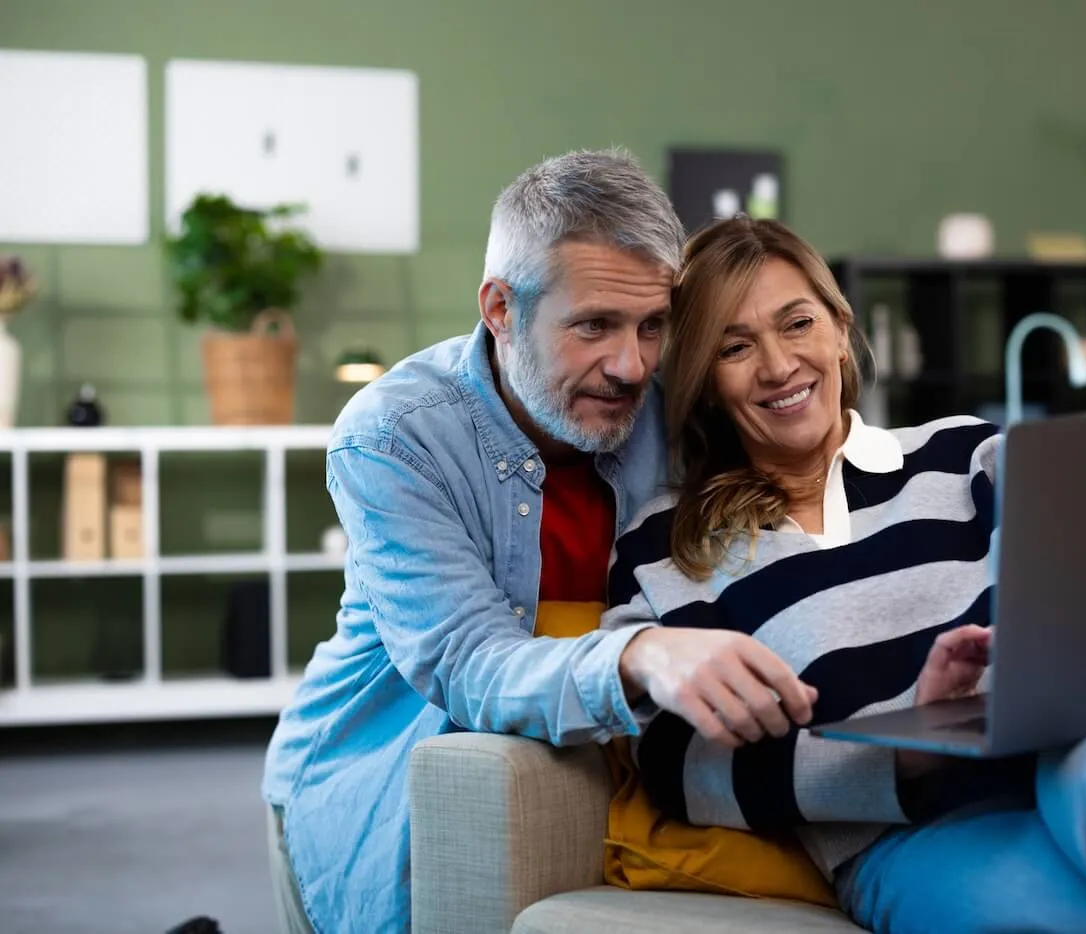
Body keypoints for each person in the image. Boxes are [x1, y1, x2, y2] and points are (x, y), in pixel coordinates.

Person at [601, 215, 1086, 933]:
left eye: (797, 323)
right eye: (735, 347)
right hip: (915, 836)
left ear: (841, 330)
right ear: (704, 379)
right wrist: (909, 754)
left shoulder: (974, 456)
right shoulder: (667, 548)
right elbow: (676, 766)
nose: (778, 365)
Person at [259, 151, 819, 934]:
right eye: (593, 325)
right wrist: (642, 654)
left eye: (652, 325)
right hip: (374, 776)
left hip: (589, 782)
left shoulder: (666, 400)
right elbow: (465, 660)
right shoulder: (392, 438)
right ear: (499, 309)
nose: (629, 366)